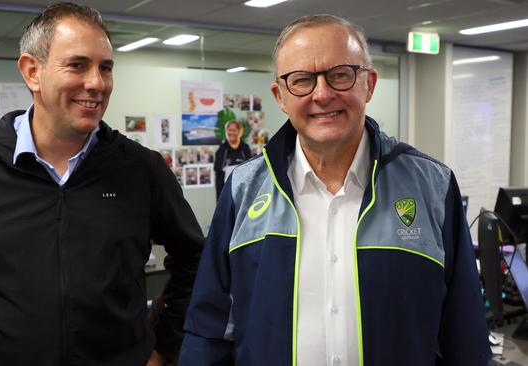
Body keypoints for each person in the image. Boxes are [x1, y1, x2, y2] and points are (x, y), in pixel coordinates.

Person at [0, 3, 203, 366]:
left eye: (106, 67)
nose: (97, 82)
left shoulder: (141, 168)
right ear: (32, 71)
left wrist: (162, 347)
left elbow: (195, 259)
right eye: (78, 64)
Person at [180, 14, 490, 366]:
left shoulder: (432, 186)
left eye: (340, 75)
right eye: (302, 80)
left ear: (369, 84)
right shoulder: (243, 189)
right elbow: (209, 327)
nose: (322, 94)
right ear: (280, 96)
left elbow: (465, 334)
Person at [213, 120, 252, 199]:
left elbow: (250, 168)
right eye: (229, 130)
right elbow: (217, 169)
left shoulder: (245, 148)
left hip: (242, 190)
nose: (231, 133)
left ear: (239, 132)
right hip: (226, 191)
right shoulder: (222, 150)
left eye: (234, 130)